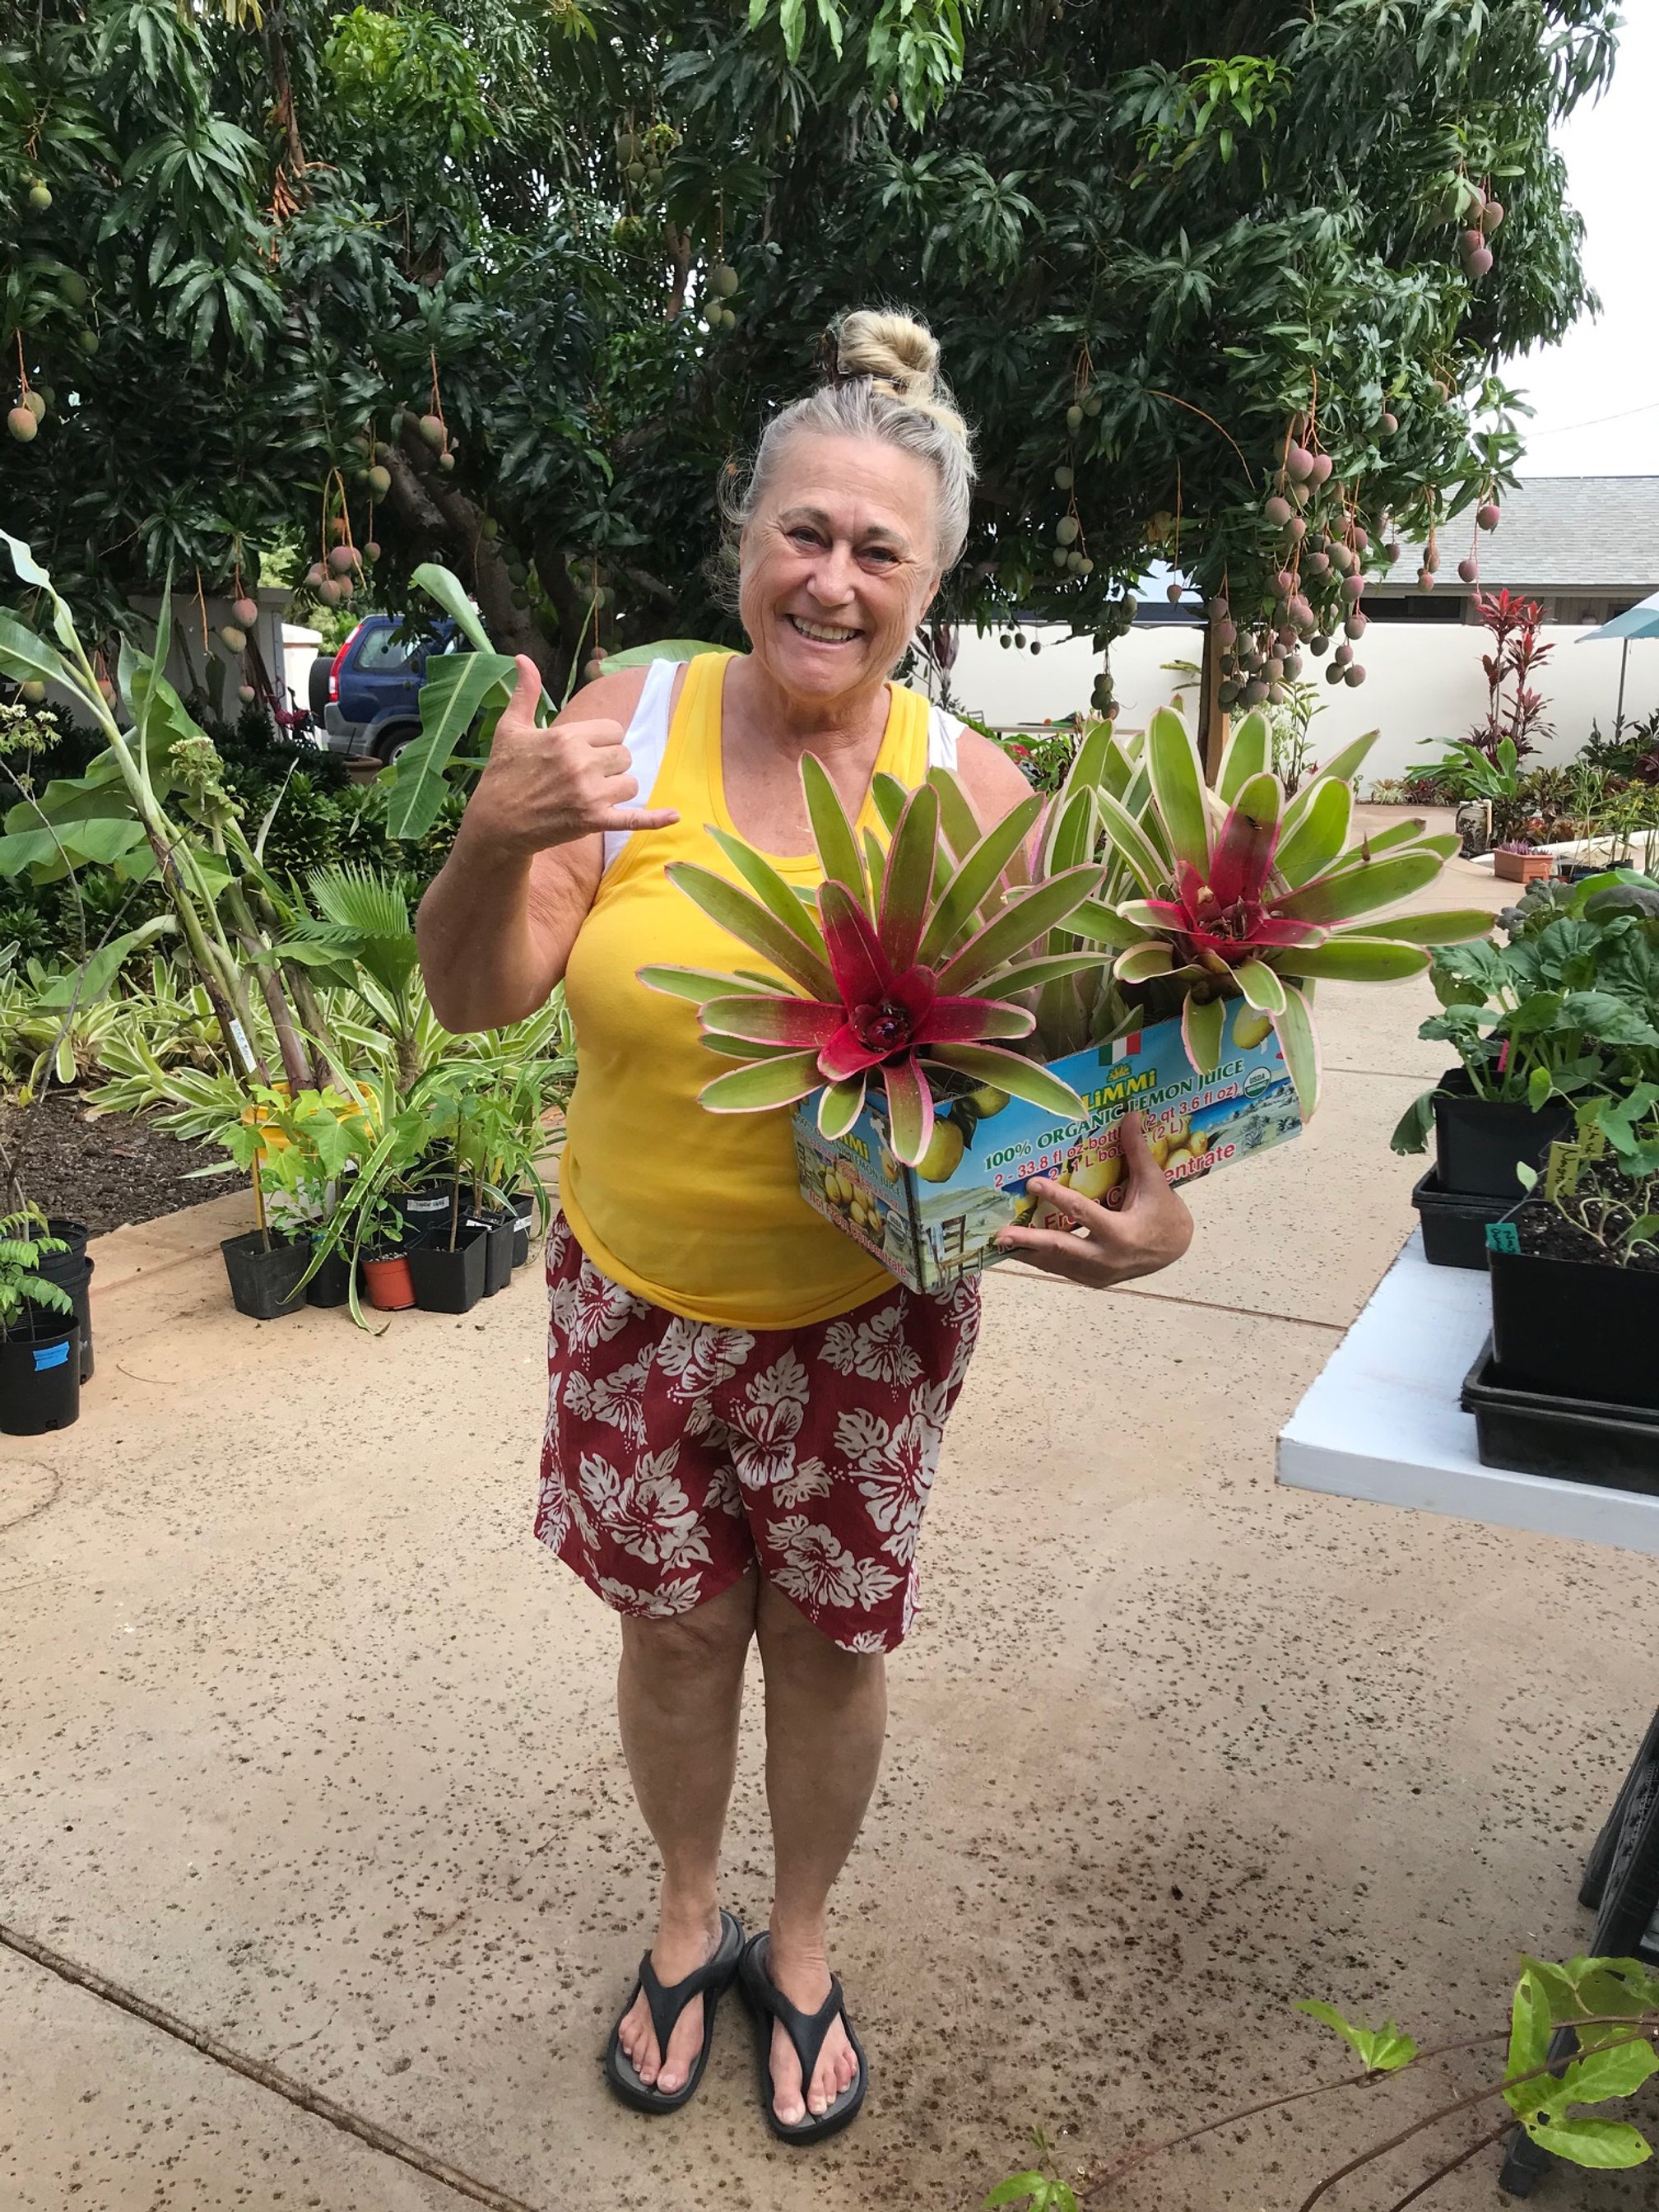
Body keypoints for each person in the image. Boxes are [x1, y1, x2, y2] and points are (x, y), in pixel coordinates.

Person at [416, 309, 1193, 2145]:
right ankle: (689, 1922)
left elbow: (1118, 1097)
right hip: (635, 1300)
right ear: (743, 540)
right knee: (678, 1633)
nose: (831, 580)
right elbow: (473, 997)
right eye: (802, 535)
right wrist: (485, 840)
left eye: (877, 550)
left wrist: (1156, 1217)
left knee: (834, 1648)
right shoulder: (628, 728)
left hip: (869, 1319)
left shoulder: (979, 799)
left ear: (931, 582)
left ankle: (809, 1937)